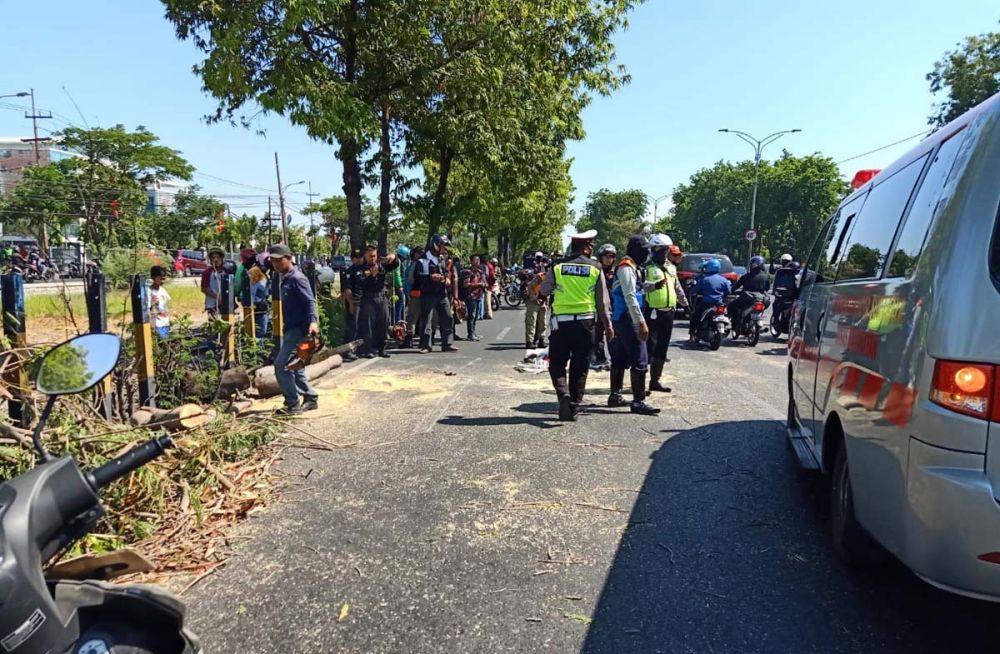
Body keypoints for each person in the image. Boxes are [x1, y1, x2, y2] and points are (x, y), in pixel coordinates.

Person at [540, 230, 613, 422]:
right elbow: (603, 302)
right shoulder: (596, 268)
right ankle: (574, 405)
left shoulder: (557, 266)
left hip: (561, 324)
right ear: (587, 246)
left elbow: (544, 290)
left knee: (556, 363)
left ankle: (563, 393)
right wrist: (608, 325)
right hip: (586, 323)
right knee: (580, 366)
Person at [609, 234, 660, 416]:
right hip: (628, 318)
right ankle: (638, 401)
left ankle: (615, 396)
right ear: (636, 251)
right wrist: (640, 322)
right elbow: (630, 295)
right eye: (645, 250)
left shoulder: (633, 268)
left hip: (622, 318)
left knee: (620, 358)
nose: (647, 254)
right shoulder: (626, 268)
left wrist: (653, 286)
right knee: (640, 359)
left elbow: (637, 288)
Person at [269, 243, 320, 415]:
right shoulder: (283, 277)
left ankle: (292, 403)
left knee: (281, 365)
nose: (275, 265)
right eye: (273, 261)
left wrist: (313, 322)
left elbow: (310, 301)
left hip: (299, 330)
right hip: (290, 328)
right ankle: (310, 398)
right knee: (295, 365)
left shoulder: (297, 278)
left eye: (279, 261)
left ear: (289, 258)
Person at [643, 237, 689, 392]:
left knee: (662, 347)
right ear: (654, 250)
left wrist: (685, 304)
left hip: (669, 312)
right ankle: (642, 382)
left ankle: (655, 380)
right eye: (661, 249)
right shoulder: (647, 267)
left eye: (666, 249)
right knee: (650, 347)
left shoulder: (671, 267)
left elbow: (677, 287)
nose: (664, 252)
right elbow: (641, 287)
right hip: (653, 312)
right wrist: (653, 286)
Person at [352, 245, 399, 358]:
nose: (372, 258)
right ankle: (369, 349)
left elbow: (394, 264)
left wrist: (393, 256)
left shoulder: (380, 263)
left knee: (383, 323)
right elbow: (360, 281)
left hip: (381, 297)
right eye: (370, 256)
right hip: (368, 298)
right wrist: (372, 276)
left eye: (374, 255)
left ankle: (382, 348)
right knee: (368, 325)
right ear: (365, 256)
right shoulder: (361, 268)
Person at [417, 234, 458, 353]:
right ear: (436, 246)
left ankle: (447, 343)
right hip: (428, 294)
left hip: (441, 293)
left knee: (448, 317)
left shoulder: (442, 259)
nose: (445, 249)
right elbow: (418, 277)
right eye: (443, 246)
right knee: (427, 320)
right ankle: (426, 345)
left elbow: (445, 273)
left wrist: (446, 279)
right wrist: (430, 277)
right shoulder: (423, 260)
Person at [689, 259, 733, 339]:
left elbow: (694, 290)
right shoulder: (724, 280)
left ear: (708, 267)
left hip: (706, 304)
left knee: (695, 316)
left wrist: (693, 291)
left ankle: (692, 335)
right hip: (719, 304)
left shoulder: (704, 279)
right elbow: (729, 292)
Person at [591, 243, 618, 370]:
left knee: (613, 335)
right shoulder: (596, 271)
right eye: (606, 256)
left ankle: (615, 359)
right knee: (597, 335)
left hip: (614, 309)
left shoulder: (617, 272)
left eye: (611, 256)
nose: (608, 259)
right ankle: (600, 358)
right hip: (598, 308)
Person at [341, 249, 364, 361]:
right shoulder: (349, 271)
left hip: (363, 301)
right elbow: (347, 289)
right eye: (357, 257)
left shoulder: (364, 269)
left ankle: (358, 349)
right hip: (354, 302)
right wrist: (351, 304)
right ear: (352, 258)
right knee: (352, 326)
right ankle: (347, 351)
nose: (359, 259)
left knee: (360, 326)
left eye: (360, 256)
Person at [523, 256, 548, 349]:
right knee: (531, 322)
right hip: (533, 301)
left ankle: (541, 340)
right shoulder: (540, 277)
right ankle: (529, 342)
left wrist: (546, 302)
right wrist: (534, 299)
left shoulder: (549, 277)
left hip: (542, 301)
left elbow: (548, 290)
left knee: (543, 322)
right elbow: (530, 287)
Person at [461, 254, 487, 341]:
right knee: (471, 315)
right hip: (471, 295)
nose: (477, 261)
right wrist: (478, 285)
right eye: (475, 260)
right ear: (471, 261)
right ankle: (470, 334)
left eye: (478, 259)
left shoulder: (480, 271)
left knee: (476, 315)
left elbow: (485, 282)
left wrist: (484, 284)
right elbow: (465, 285)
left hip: (479, 295)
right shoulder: (468, 272)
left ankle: (473, 332)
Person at [403, 246, 424, 348]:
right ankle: (423, 341)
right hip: (425, 294)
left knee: (412, 318)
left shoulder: (415, 264)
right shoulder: (428, 263)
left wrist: (408, 293)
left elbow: (409, 280)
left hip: (415, 293)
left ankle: (409, 340)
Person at [201, 247, 226, 321]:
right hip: (212, 304)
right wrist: (217, 297)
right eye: (213, 258)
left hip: (226, 304)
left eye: (218, 257)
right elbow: (204, 288)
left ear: (222, 258)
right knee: (214, 326)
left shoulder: (227, 271)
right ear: (210, 260)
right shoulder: (207, 273)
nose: (216, 260)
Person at [148, 265, 171, 338]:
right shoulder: (149, 291)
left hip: (165, 322)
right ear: (153, 278)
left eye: (164, 279)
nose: (162, 281)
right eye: (160, 279)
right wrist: (152, 304)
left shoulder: (163, 291)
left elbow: (166, 305)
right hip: (156, 324)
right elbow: (147, 309)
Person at [249, 265, 270, 338]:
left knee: (261, 331)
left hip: (261, 307)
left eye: (251, 274)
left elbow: (262, 294)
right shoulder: (252, 283)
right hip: (254, 307)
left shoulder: (261, 282)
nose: (249, 276)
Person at [393, 245, 409, 324]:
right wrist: (399, 286)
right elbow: (397, 274)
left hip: (398, 286)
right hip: (398, 287)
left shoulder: (397, 261)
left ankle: (399, 320)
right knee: (400, 303)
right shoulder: (398, 262)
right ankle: (398, 320)